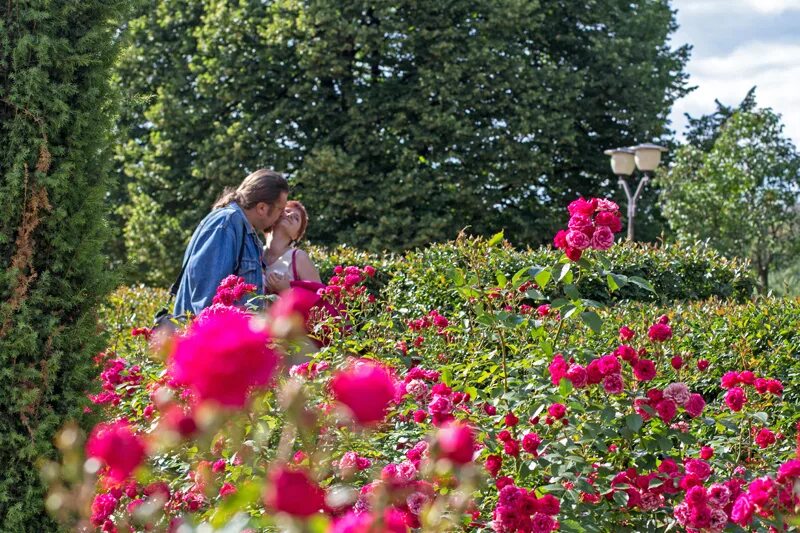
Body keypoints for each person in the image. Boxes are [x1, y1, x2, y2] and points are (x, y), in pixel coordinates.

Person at [173, 169, 289, 316]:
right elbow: (207, 304)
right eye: (280, 209)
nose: (282, 216)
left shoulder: (243, 229)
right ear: (262, 208)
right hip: (213, 336)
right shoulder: (226, 224)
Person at [264, 200, 321, 293]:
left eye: (296, 218)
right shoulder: (256, 251)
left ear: (297, 235)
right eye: (286, 211)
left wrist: (287, 291)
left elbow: (320, 298)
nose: (290, 215)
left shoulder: (299, 257)